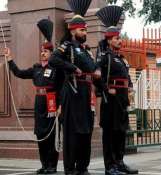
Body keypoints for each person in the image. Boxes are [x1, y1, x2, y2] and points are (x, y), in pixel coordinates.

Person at [4, 19, 62, 174]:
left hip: (51, 102)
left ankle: (52, 166)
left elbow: (61, 88)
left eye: (46, 51)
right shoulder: (36, 69)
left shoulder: (56, 68)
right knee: (40, 134)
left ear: (51, 54)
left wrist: (60, 105)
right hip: (39, 103)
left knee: (51, 135)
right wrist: (10, 59)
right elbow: (19, 73)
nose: (43, 53)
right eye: (42, 51)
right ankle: (44, 165)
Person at [49, 12, 101, 174]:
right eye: (81, 30)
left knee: (86, 132)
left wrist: (97, 72)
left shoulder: (86, 50)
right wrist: (72, 68)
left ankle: (83, 167)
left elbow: (93, 69)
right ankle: (70, 169)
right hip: (72, 92)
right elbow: (53, 60)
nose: (85, 33)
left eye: (86, 30)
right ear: (73, 31)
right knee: (72, 133)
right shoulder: (67, 46)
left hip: (86, 94)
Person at [96, 5, 138, 175]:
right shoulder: (104, 57)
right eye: (116, 38)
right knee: (110, 133)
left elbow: (127, 77)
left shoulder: (121, 58)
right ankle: (110, 166)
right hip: (110, 100)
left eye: (119, 38)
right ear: (109, 40)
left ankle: (119, 162)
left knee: (121, 131)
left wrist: (130, 88)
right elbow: (96, 76)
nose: (119, 41)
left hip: (122, 99)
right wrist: (106, 90)